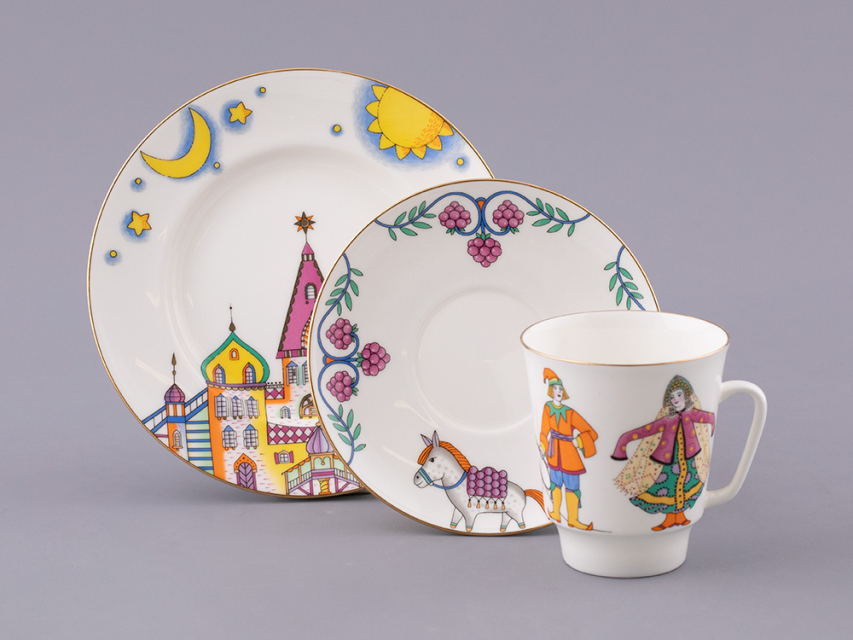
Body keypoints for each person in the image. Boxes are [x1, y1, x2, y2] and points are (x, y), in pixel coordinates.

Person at [611, 375, 715, 531]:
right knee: (669, 487)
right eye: (672, 397)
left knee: (686, 485)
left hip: (689, 459)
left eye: (679, 395)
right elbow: (645, 430)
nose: (676, 399)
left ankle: (680, 517)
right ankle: (669, 519)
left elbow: (708, 417)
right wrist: (623, 441)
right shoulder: (667, 420)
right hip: (669, 461)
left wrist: (712, 427)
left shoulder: (692, 413)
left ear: (686, 396)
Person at [539, 368, 598, 530]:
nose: (558, 391)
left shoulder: (569, 412)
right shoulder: (547, 408)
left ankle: (573, 519)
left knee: (572, 487)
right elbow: (544, 431)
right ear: (550, 391)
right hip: (553, 454)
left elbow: (591, 432)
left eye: (560, 388)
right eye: (555, 388)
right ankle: (556, 513)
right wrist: (543, 446)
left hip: (570, 455)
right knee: (555, 484)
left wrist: (579, 441)